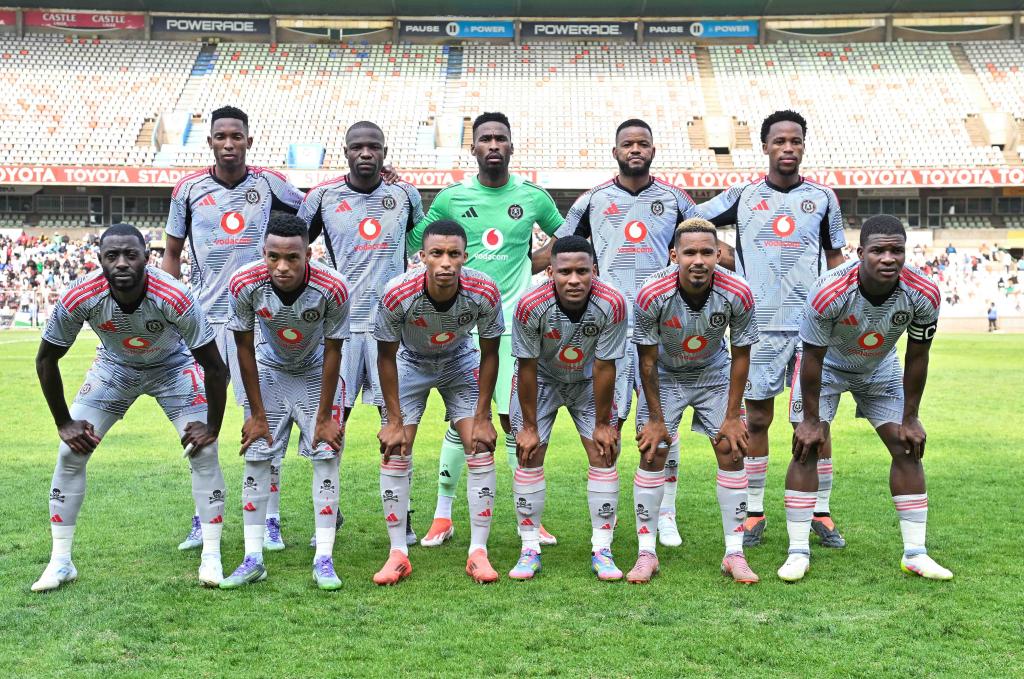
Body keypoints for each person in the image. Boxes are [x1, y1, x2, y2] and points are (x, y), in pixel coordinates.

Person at [32, 223, 229, 591]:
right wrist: (64, 422)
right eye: (112, 255)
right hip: (115, 368)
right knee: (70, 452)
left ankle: (212, 556)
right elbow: (46, 360)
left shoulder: (175, 296)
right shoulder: (81, 295)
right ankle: (60, 562)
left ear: (146, 258)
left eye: (130, 254)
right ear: (99, 260)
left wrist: (213, 427)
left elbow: (216, 368)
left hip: (173, 367)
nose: (121, 262)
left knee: (203, 451)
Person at [406, 112, 564, 548]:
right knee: (463, 422)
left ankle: (528, 517)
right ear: (472, 147)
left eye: (500, 138)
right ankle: (442, 516)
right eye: (485, 138)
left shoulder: (532, 197)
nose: (493, 144)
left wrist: (533, 262)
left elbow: (568, 239)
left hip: (514, 327)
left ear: (511, 146)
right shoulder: (451, 198)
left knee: (515, 420)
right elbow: (413, 241)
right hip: (462, 328)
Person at [697, 110, 847, 549]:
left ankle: (820, 510)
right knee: (757, 418)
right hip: (758, 327)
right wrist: (724, 255)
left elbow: (836, 261)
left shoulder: (823, 198)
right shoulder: (743, 195)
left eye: (795, 141)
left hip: (811, 329)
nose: (787, 148)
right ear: (765, 146)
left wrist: (840, 314)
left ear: (803, 146)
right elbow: (691, 220)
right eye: (779, 141)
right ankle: (754, 511)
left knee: (814, 420)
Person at [163, 105, 305, 552]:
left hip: (259, 322)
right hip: (205, 322)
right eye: (221, 136)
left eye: (236, 136)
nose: (229, 144)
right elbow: (172, 253)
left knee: (263, 419)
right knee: (201, 420)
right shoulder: (188, 189)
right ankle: (203, 516)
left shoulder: (270, 183)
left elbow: (313, 213)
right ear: (210, 142)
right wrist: (169, 309)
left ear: (248, 140)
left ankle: (270, 517)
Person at [783, 215, 952, 582]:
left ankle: (916, 553)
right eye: (878, 250)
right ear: (860, 253)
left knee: (906, 445)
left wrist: (911, 416)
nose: (888, 258)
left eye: (896, 250)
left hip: (879, 368)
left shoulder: (924, 293)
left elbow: (918, 356)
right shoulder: (829, 290)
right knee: (806, 446)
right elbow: (811, 358)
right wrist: (810, 420)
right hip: (826, 367)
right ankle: (797, 552)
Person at [554, 119, 698, 547]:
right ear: (615, 151)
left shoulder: (675, 199)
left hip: (664, 325)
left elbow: (702, 244)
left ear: (653, 150)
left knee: (662, 418)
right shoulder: (593, 199)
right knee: (609, 420)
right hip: (610, 328)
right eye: (627, 144)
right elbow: (559, 248)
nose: (635, 149)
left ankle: (666, 512)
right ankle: (610, 512)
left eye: (643, 143)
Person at [299, 120, 425, 547]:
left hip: (393, 328)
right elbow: (293, 248)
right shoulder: (322, 197)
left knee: (397, 421)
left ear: (384, 152)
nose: (366, 153)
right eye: (358, 147)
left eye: (374, 146)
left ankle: (402, 514)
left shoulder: (405, 195)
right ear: (346, 152)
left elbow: (421, 245)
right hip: (342, 328)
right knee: (334, 420)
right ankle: (327, 514)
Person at [220, 213, 351, 590]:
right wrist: (256, 414)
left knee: (326, 455)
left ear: (308, 254)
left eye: (292, 257)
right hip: (269, 370)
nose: (282, 266)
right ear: (263, 253)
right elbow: (243, 347)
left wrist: (325, 417)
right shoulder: (244, 282)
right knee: (256, 454)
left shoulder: (333, 286)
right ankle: (253, 558)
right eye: (273, 256)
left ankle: (324, 558)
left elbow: (334, 351)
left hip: (315, 371)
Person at [629, 219, 760, 584]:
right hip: (665, 373)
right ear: (674, 255)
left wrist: (732, 417)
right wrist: (656, 420)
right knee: (652, 451)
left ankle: (735, 553)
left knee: (732, 449)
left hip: (713, 373)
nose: (698, 260)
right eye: (690, 252)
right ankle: (646, 553)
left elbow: (741, 355)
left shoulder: (738, 291)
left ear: (719, 254)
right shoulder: (651, 293)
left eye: (706, 252)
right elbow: (647, 361)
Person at [373, 220, 503, 584]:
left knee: (479, 444)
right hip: (409, 362)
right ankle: (398, 553)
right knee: (396, 447)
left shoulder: (484, 291)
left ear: (465, 256)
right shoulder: (398, 292)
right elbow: (385, 356)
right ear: (422, 257)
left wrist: (483, 416)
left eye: (453, 254)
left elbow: (491, 353)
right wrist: (393, 421)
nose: (446, 262)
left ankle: (478, 552)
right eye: (437, 253)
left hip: (459, 360)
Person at [507, 236, 628, 581]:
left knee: (604, 452)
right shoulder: (530, 305)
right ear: (550, 273)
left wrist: (603, 424)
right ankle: (529, 548)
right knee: (529, 452)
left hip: (589, 380)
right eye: (565, 272)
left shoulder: (612, 302)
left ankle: (602, 549)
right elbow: (526, 366)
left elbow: (605, 365)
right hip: (542, 378)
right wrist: (529, 427)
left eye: (582, 271)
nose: (574, 279)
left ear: (594, 271)